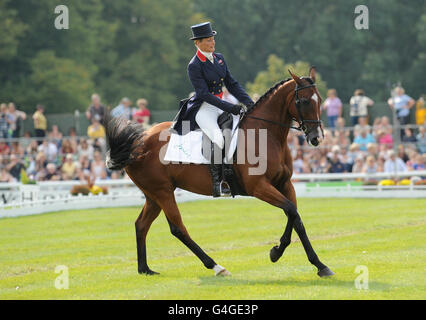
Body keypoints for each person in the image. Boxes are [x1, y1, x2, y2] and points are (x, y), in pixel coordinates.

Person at [185, 22, 254, 197]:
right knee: (219, 139)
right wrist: (231, 107)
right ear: (197, 43)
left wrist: (250, 103)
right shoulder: (194, 65)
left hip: (221, 106)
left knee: (240, 133)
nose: (212, 43)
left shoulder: (220, 58)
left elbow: (232, 84)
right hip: (205, 109)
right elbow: (204, 94)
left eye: (213, 39)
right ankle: (218, 182)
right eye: (208, 40)